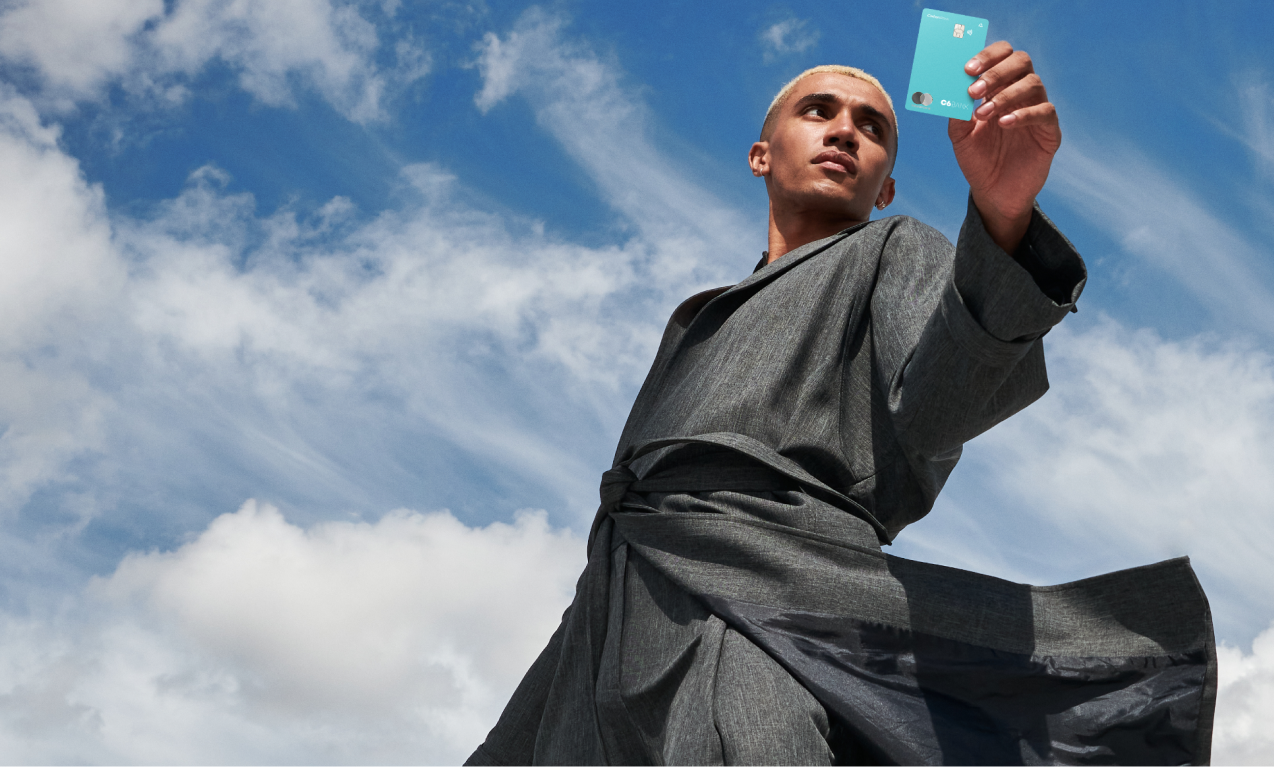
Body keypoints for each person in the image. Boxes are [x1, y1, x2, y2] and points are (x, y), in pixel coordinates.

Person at [466, 43, 1215, 767]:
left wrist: (1002, 218)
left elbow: (936, 409)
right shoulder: (700, 316)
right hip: (615, 619)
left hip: (766, 607)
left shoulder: (893, 248)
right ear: (762, 154)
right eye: (819, 110)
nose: (845, 131)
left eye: (873, 126)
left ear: (885, 184)